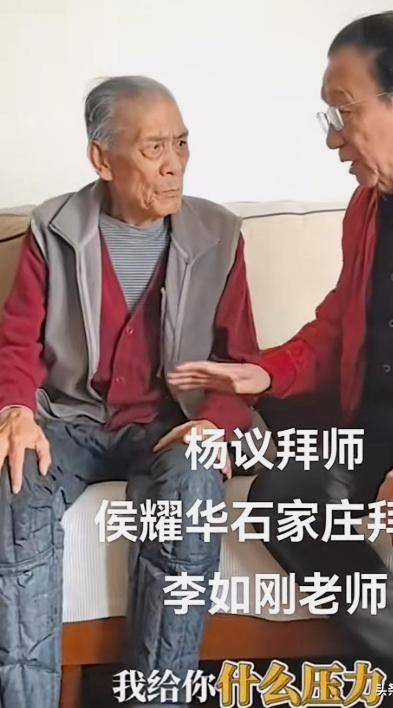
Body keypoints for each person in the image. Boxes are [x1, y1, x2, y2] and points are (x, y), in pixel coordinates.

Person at [168, 12, 393, 703]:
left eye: (343, 113)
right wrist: (268, 372)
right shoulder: (368, 205)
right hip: (385, 428)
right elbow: (341, 326)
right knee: (283, 497)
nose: (334, 137)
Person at [0, 75, 262, 707]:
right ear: (102, 158)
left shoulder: (220, 234)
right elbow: (18, 342)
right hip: (68, 421)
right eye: (153, 148)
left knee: (195, 481)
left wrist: (214, 425)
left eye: (181, 143)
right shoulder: (54, 228)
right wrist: (15, 411)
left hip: (172, 425)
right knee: (13, 478)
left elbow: (241, 363)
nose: (174, 164)